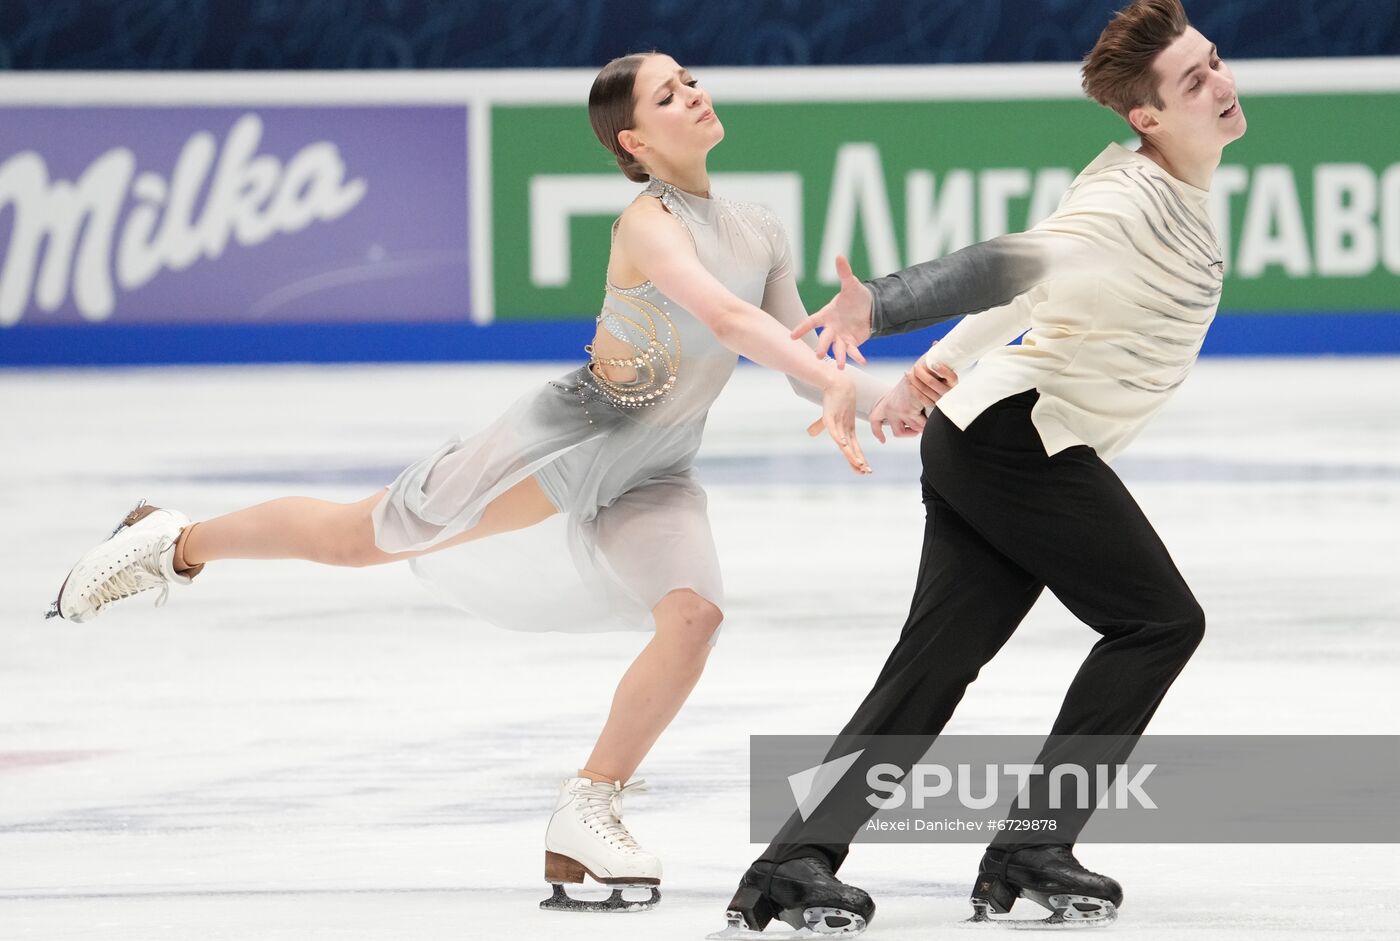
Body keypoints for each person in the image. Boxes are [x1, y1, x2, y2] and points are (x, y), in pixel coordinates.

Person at [46, 51, 935, 915]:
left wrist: (887, 393)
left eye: (691, 82)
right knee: (359, 540)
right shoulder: (646, 223)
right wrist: (828, 379)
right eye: (670, 95)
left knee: (693, 616)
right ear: (633, 143)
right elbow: (728, 318)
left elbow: (793, 362)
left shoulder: (762, 227)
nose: (695, 96)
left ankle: (590, 807)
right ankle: (173, 540)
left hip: (652, 468)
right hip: (562, 441)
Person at [716, 0, 1245, 935]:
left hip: (986, 427)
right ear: (1148, 115)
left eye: (1214, 61)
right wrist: (882, 305)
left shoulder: (1169, 184)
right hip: (1021, 437)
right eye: (1193, 78)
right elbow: (1008, 265)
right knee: (1159, 620)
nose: (1221, 83)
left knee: (937, 660)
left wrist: (930, 373)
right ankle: (1032, 844)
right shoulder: (1127, 200)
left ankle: (795, 861)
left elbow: (1039, 287)